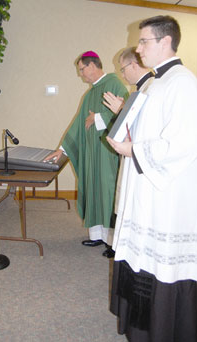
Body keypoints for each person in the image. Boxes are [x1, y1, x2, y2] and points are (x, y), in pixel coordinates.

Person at [106, 15, 197, 342]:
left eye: (144, 41)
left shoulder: (184, 82)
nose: (139, 48)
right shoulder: (157, 82)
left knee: (162, 265)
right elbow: (150, 131)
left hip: (166, 196)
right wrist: (126, 132)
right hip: (146, 188)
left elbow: (181, 143)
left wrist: (133, 150)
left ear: (165, 42)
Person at [45, 51, 128, 258]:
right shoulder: (90, 93)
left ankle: (113, 243)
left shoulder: (114, 83)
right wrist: (62, 149)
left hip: (108, 153)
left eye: (82, 69)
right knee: (94, 190)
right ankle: (98, 235)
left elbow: (126, 112)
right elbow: (77, 125)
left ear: (93, 65)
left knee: (108, 193)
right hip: (93, 154)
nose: (81, 75)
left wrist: (98, 118)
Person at [103, 46, 154, 113]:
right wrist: (125, 107)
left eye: (123, 70)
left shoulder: (152, 87)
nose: (122, 75)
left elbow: (145, 120)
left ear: (133, 65)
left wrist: (121, 110)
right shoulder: (147, 85)